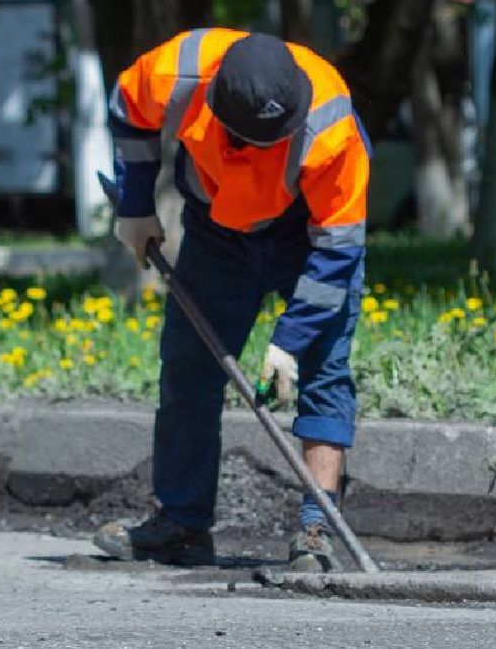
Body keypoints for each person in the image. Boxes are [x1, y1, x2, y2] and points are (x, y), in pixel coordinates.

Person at [93, 29, 370, 571]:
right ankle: (182, 526)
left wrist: (291, 342)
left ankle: (317, 530)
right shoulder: (179, 71)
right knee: (189, 369)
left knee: (324, 369)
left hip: (305, 235)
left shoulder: (331, 126)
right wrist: (136, 204)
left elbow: (338, 247)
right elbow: (128, 107)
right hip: (216, 232)